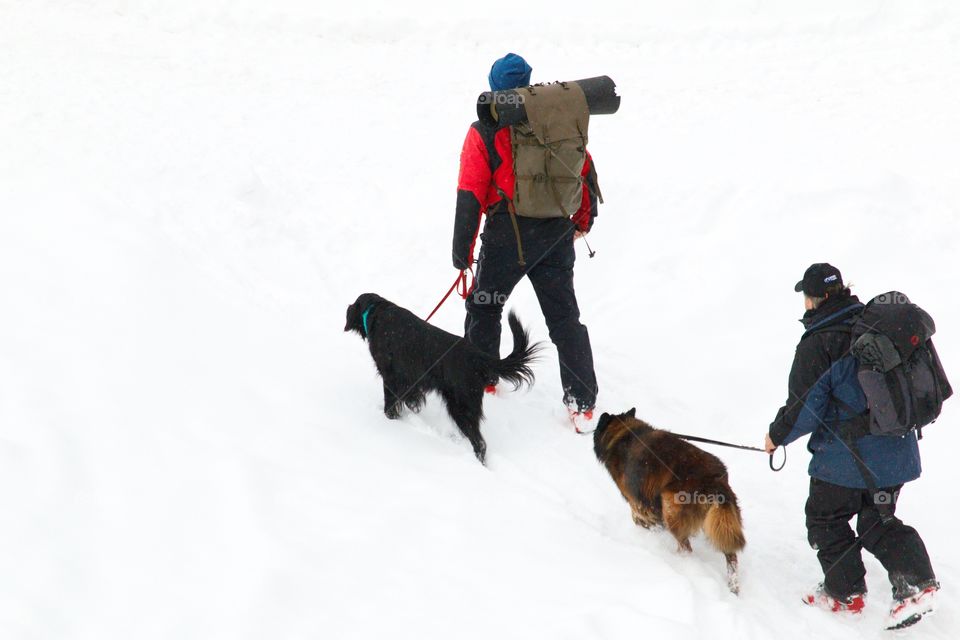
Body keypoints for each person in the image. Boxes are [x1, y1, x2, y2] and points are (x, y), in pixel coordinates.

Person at [764, 263, 939, 630]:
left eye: (807, 297)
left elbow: (803, 405)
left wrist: (776, 436)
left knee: (825, 519)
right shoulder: (875, 325)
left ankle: (845, 594)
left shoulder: (820, 340)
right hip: (896, 449)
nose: (806, 304)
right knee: (878, 519)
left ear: (816, 299)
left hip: (846, 459)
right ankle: (916, 585)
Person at [452, 53, 599, 425]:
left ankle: (483, 379)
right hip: (555, 234)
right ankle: (582, 404)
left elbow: (470, 192)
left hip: (507, 236)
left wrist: (462, 253)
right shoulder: (555, 118)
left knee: (485, 304)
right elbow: (581, 168)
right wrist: (582, 220)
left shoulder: (484, 129)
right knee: (565, 319)